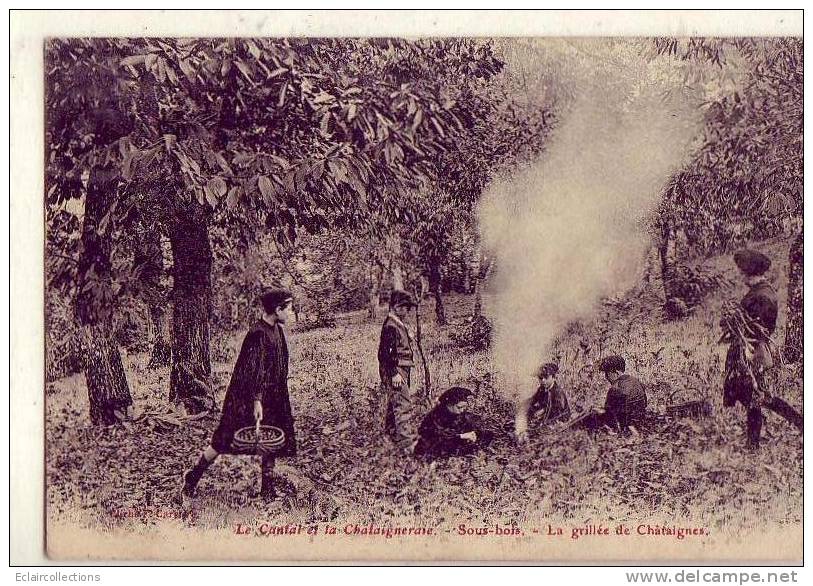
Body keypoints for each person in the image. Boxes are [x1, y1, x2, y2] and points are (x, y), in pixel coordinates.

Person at [181, 288, 297, 501]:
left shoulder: (277, 331)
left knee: (269, 439)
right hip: (247, 398)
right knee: (223, 439)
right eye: (288, 309)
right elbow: (253, 370)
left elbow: (279, 364)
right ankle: (193, 476)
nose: (291, 313)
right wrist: (256, 400)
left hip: (272, 396)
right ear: (277, 309)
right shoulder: (257, 334)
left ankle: (267, 489)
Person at [722, 249, 803, 449]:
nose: (741, 277)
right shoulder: (758, 292)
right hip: (747, 350)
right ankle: (755, 441)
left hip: (754, 352)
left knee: (756, 396)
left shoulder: (763, 296)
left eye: (742, 273)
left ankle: (757, 442)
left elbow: (761, 328)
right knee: (751, 395)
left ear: (752, 273)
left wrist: (736, 325)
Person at [377, 289, 418, 452]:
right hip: (396, 370)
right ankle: (406, 444)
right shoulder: (390, 326)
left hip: (402, 368)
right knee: (403, 404)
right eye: (405, 307)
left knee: (395, 400)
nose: (407, 311)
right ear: (396, 306)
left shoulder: (397, 324)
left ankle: (391, 433)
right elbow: (384, 354)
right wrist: (394, 373)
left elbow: (399, 345)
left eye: (408, 308)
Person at [414, 387, 493, 460]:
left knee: (487, 434)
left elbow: (469, 426)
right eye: (459, 407)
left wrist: (474, 434)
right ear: (449, 404)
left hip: (455, 444)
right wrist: (461, 436)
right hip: (436, 447)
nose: (462, 410)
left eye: (464, 407)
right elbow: (438, 437)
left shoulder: (459, 414)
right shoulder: (436, 415)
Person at [577, 355, 647, 433]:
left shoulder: (615, 389)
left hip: (624, 427)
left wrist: (596, 411)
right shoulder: (637, 382)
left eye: (607, 373)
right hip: (640, 422)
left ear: (615, 372)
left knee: (590, 416)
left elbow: (609, 415)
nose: (606, 377)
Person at [515, 362, 571, 444]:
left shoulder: (558, 393)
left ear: (553, 377)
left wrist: (542, 414)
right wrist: (524, 405)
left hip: (559, 421)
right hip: (546, 417)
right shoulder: (542, 389)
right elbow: (534, 399)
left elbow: (557, 414)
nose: (543, 381)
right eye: (540, 378)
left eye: (546, 377)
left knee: (539, 435)